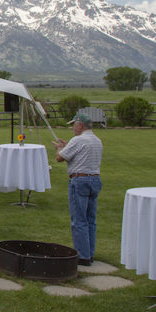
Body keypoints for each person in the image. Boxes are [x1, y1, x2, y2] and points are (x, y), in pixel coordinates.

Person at [52, 113, 103, 266]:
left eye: (74, 125)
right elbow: (79, 151)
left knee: (79, 219)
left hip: (79, 180)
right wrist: (68, 146)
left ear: (80, 125)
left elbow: (60, 158)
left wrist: (60, 148)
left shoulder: (78, 140)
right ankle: (90, 252)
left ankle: (82, 255)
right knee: (90, 219)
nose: (73, 128)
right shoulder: (96, 140)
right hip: (94, 179)